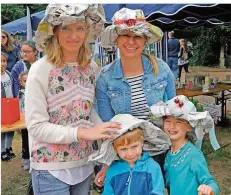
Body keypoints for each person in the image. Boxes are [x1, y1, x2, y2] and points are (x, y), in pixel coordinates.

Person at [25, 4, 121, 195]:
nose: (74, 35)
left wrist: (108, 134)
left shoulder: (91, 67)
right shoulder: (40, 70)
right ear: (55, 31)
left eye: (79, 28)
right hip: (50, 169)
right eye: (66, 28)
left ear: (87, 31)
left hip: (84, 164)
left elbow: (88, 109)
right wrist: (83, 133)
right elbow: (36, 127)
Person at [95, 7, 175, 186]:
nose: (131, 41)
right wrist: (108, 162)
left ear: (145, 39)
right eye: (125, 35)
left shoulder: (162, 69)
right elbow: (109, 127)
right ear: (116, 38)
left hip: (159, 150)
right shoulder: (105, 78)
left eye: (137, 35)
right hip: (125, 153)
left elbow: (174, 114)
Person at [150, 95, 220, 195]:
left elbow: (210, 182)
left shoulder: (193, 155)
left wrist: (209, 189)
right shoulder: (169, 152)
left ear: (189, 126)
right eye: (168, 121)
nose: (172, 126)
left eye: (178, 122)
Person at [88, 114, 166, 195]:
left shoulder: (152, 167)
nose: (130, 153)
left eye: (134, 146)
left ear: (142, 142)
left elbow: (157, 192)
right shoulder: (112, 170)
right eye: (123, 149)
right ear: (115, 149)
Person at [1, 52, 16, 161]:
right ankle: (2, 150)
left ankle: (8, 147)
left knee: (11, 128)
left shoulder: (8, 74)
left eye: (4, 61)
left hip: (10, 105)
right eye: (0, 61)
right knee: (3, 129)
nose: (2, 64)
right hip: (2, 107)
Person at [18, 71, 30, 170]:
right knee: (25, 140)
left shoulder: (36, 93)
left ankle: (34, 159)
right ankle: (26, 159)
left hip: (34, 121)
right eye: (25, 81)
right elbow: (18, 108)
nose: (28, 82)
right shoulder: (20, 94)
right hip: (24, 122)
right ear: (22, 83)